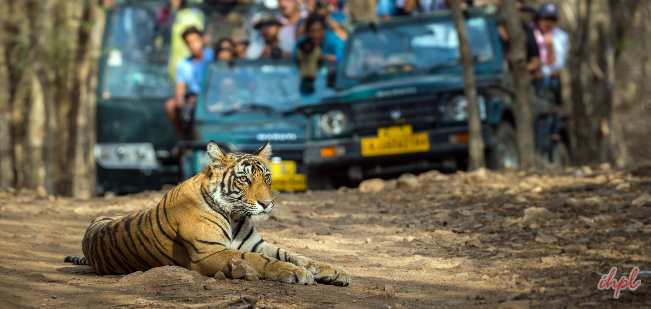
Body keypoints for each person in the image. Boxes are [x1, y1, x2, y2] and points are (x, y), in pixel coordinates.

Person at [164, 27, 214, 142]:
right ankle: (185, 140)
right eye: (188, 42)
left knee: (195, 104)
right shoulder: (183, 64)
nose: (192, 45)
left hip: (210, 95)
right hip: (192, 97)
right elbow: (179, 92)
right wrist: (181, 103)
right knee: (170, 106)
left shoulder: (213, 57)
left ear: (202, 40)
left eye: (195, 40)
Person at [533, 1, 568, 99]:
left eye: (553, 19)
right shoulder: (529, 31)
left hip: (549, 81)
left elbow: (557, 65)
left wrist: (550, 46)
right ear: (538, 18)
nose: (549, 23)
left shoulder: (561, 36)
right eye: (546, 18)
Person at [496, 0, 541, 74]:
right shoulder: (490, 25)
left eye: (520, 10)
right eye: (514, 10)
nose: (518, 13)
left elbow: (535, 64)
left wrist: (517, 66)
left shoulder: (527, 31)